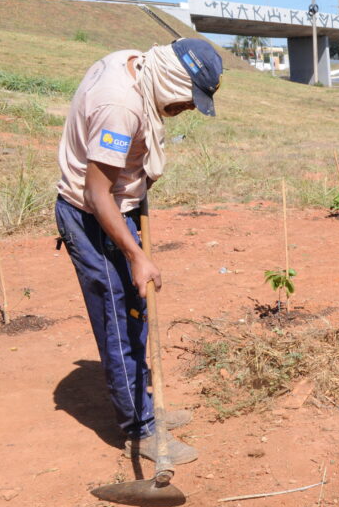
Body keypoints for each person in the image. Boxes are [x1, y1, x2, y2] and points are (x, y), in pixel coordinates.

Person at [54, 39, 223, 464]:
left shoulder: (139, 65)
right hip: (92, 214)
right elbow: (96, 192)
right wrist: (136, 254)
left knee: (135, 310)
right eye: (188, 99)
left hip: (117, 204)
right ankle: (140, 430)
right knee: (119, 320)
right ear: (172, 79)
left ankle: (146, 406)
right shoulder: (121, 106)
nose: (186, 109)